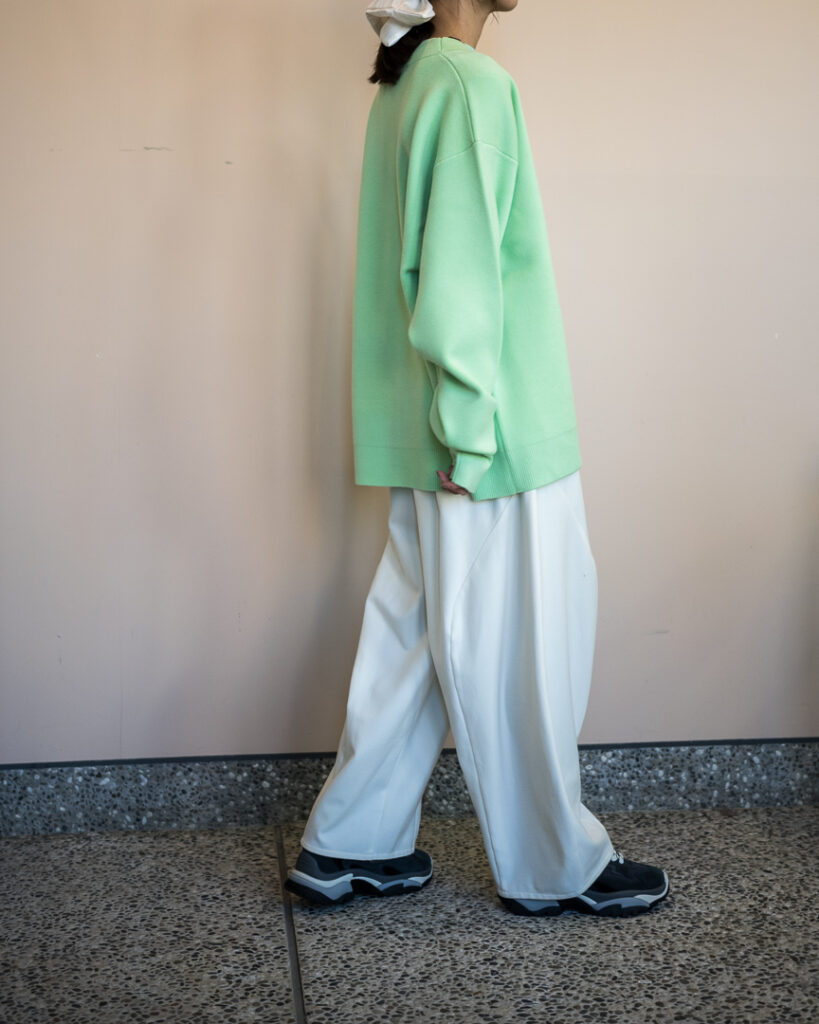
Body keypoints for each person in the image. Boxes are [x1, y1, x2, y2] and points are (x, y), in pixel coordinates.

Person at [285, 0, 670, 917]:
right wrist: (468, 428)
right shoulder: (466, 82)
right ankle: (555, 866)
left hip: (434, 429)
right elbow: (457, 275)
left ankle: (350, 844)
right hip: (489, 434)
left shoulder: (409, 85)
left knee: (415, 641)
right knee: (525, 644)